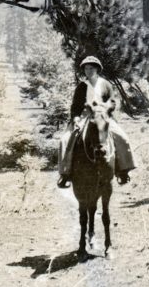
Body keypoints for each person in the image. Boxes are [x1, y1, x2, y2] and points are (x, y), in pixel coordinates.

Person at [58, 56, 136, 188]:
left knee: (123, 137)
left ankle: (123, 170)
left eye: (91, 68)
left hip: (103, 116)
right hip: (84, 116)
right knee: (64, 140)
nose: (89, 71)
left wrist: (104, 108)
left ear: (97, 69)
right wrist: (75, 118)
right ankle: (65, 173)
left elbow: (112, 102)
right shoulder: (82, 86)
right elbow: (75, 106)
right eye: (86, 68)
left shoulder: (106, 84)